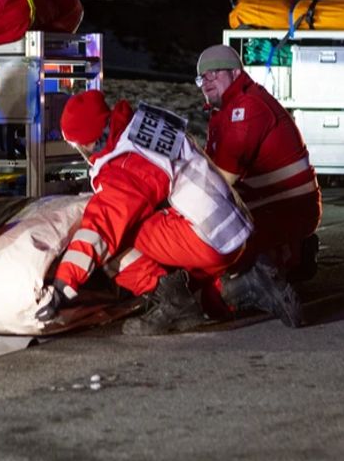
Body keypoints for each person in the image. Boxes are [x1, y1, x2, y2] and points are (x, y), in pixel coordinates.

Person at [36, 89, 301, 336]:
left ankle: (170, 299)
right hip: (233, 227)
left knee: (120, 235)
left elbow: (101, 227)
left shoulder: (124, 163)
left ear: (89, 142)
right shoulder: (141, 126)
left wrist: (62, 287)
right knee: (200, 295)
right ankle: (248, 285)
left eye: (76, 146)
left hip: (205, 238)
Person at [196, 44, 321, 285]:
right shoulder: (225, 110)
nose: (207, 80)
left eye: (215, 72)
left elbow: (222, 178)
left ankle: (275, 265)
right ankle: (284, 256)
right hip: (276, 205)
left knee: (210, 249)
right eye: (202, 77)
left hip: (286, 210)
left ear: (235, 74)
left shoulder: (246, 107)